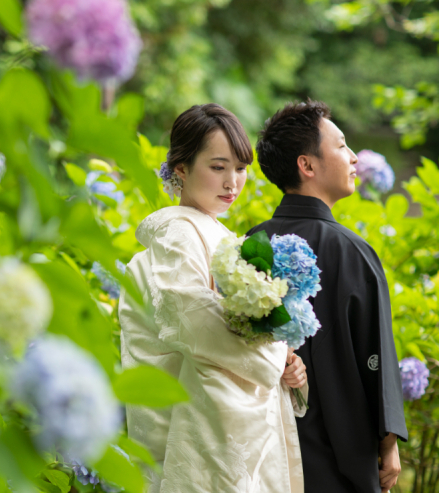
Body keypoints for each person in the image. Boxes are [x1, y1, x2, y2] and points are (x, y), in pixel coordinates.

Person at [119, 103, 308, 493]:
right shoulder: (179, 232)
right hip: (197, 431)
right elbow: (192, 321)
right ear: (181, 169)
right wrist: (275, 357)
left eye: (240, 169)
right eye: (218, 167)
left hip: (220, 427)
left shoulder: (215, 235)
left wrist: (289, 365)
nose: (232, 183)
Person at [247, 100, 408, 493]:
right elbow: (375, 355)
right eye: (341, 146)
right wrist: (388, 443)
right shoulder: (352, 251)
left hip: (265, 452)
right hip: (340, 462)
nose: (353, 157)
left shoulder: (253, 245)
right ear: (307, 165)